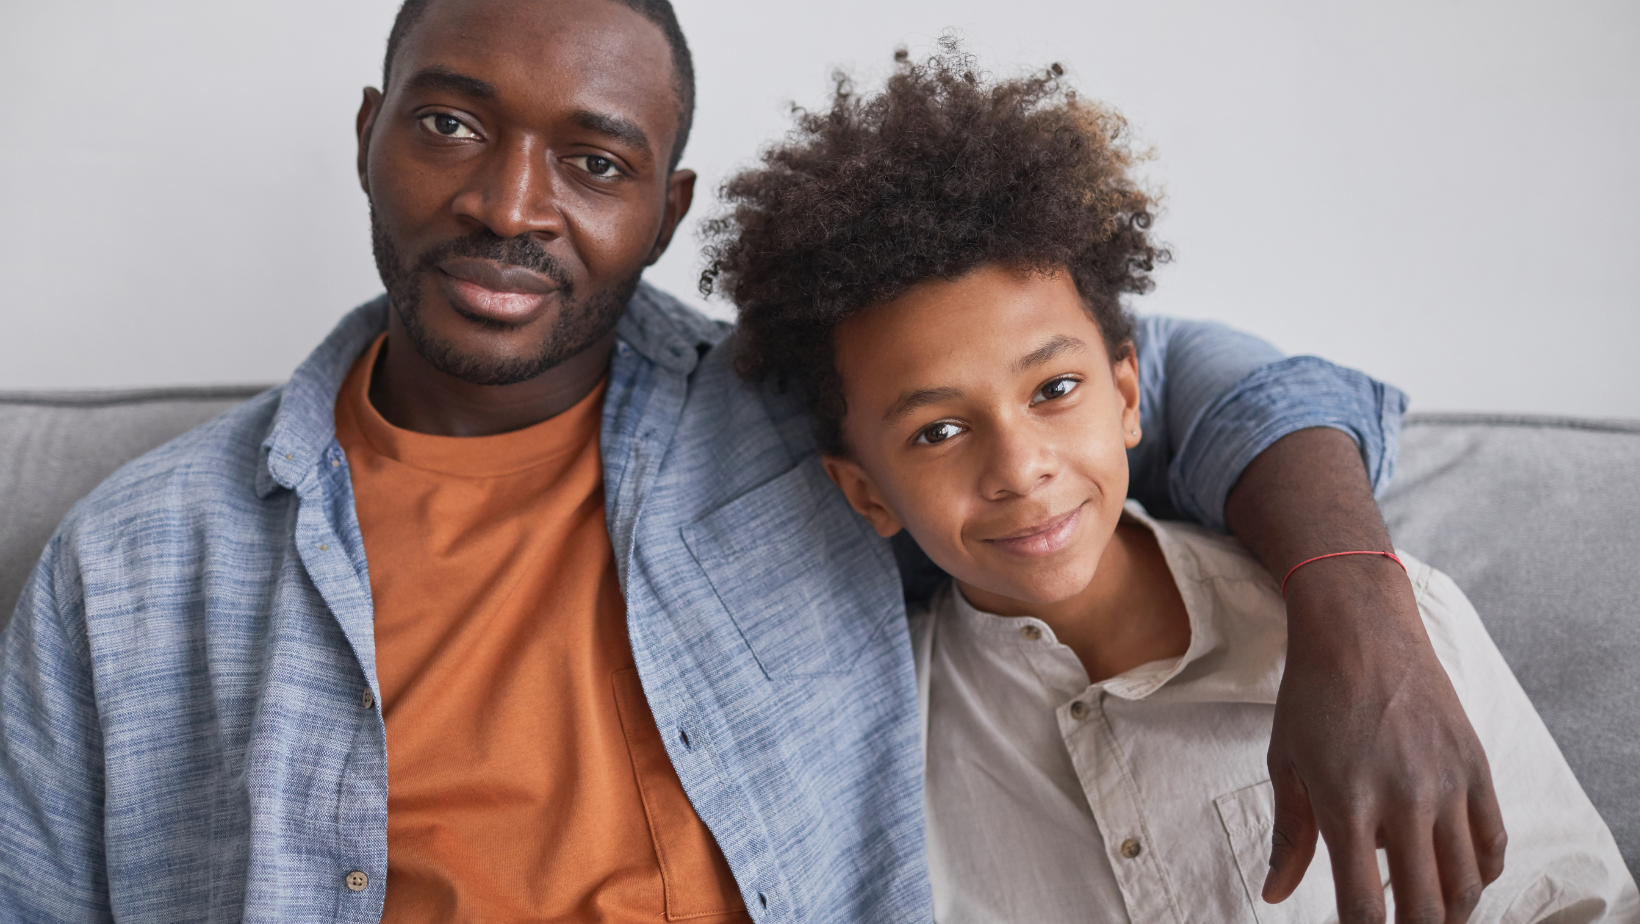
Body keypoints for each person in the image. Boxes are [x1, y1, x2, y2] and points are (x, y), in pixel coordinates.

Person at [0, 1, 1495, 921]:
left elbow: (1191, 377)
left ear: (667, 206)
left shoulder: (811, 418)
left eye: (594, 162)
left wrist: (1364, 625)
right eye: (450, 124)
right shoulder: (137, 563)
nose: (508, 205)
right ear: (369, 134)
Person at [702, 46, 1639, 924]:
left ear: (1125, 395)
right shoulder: (876, 741)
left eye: (1055, 390)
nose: (1020, 466)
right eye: (939, 429)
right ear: (865, 491)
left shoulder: (1403, 628)